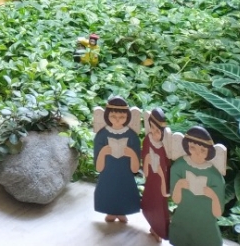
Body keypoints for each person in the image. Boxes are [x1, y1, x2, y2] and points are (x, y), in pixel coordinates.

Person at [169, 126, 225, 246]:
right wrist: (179, 185)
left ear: (209, 152)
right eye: (193, 148)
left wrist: (213, 195)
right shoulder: (179, 166)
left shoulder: (214, 175)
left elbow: (217, 213)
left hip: (205, 222)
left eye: (203, 150)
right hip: (183, 217)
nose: (197, 153)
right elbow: (175, 200)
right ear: (187, 147)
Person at [93, 96, 141, 223]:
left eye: (122, 117)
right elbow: (98, 167)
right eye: (113, 116)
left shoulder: (132, 136)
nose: (117, 120)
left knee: (124, 191)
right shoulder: (102, 135)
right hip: (108, 173)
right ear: (107, 116)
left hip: (125, 173)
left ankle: (122, 211)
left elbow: (135, 168)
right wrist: (103, 152)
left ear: (127, 117)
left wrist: (132, 154)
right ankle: (110, 211)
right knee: (108, 190)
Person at [141, 108, 171, 242]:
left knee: (160, 206)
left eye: (157, 131)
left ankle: (159, 229)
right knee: (150, 200)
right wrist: (147, 162)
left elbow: (166, 168)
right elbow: (145, 158)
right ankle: (152, 226)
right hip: (151, 179)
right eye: (152, 127)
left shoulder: (163, 149)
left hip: (159, 180)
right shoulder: (148, 140)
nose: (153, 132)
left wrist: (163, 181)